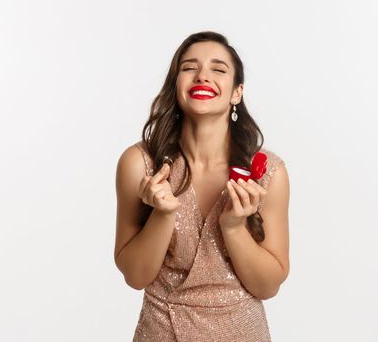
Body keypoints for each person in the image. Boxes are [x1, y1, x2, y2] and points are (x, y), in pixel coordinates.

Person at [113, 31, 290, 341]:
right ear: (176, 85)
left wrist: (234, 228)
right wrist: (163, 214)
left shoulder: (268, 172)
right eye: (189, 67)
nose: (202, 76)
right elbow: (136, 276)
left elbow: (268, 286)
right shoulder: (139, 164)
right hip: (162, 331)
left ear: (237, 92)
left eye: (218, 69)